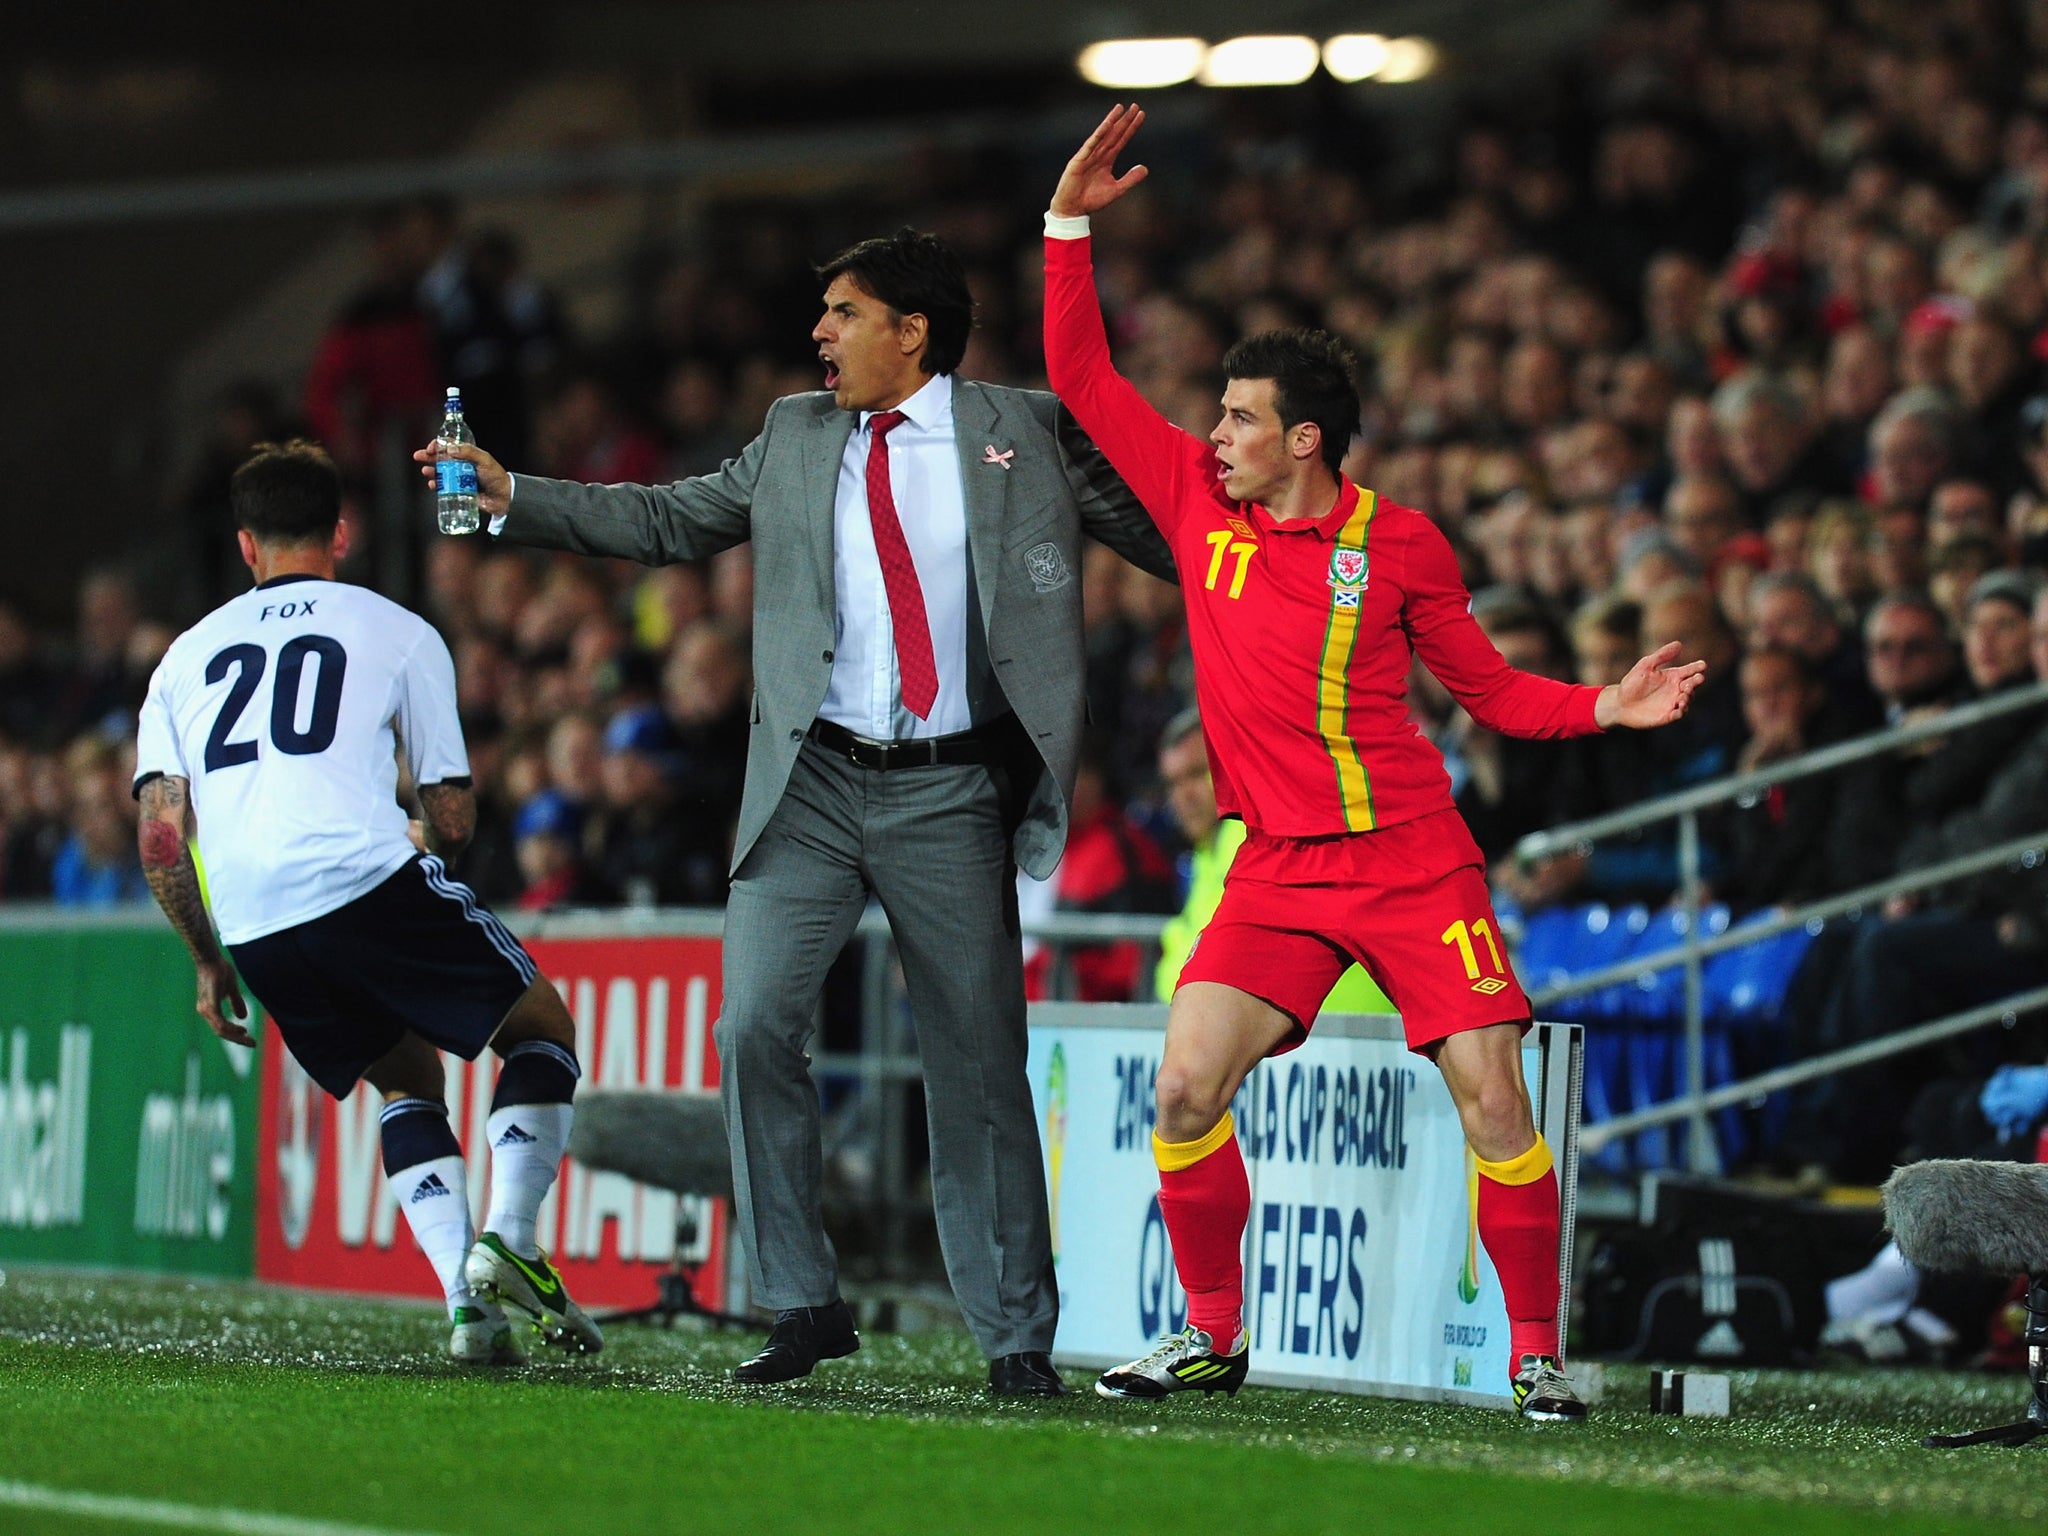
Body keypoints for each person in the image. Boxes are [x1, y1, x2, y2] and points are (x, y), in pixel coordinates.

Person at [418, 227, 1174, 1396]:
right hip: (809, 784)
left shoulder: (1017, 428)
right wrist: (516, 495)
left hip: (950, 787)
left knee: (977, 1062)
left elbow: (1165, 535)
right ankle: (801, 1300)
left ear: (910, 331)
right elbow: (668, 520)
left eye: (842, 311)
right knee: (751, 1028)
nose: (818, 332)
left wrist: (1293, 547)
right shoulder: (792, 433)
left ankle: (1016, 1336)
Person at [1043, 106, 1704, 1419]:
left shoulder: (1399, 545)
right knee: (1183, 1083)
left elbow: (1495, 696)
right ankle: (1215, 1336)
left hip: (1409, 860)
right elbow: (1082, 382)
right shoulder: (1191, 502)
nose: (1214, 433)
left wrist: (1602, 708)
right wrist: (1067, 228)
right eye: (1217, 414)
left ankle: (1533, 1354)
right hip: (1275, 867)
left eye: (1240, 418)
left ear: (1305, 439)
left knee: (1492, 1098)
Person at [132, 441, 598, 1367]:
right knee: (542, 1029)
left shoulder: (183, 659)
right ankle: (507, 1233)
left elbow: (159, 834)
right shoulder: (398, 629)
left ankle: (471, 1316)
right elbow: (452, 813)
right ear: (341, 532)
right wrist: (430, 846)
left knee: (405, 1080)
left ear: (245, 546)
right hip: (362, 880)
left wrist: (206, 957)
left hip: (260, 926)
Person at [1153, 708, 1389, 1013]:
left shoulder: (1252, 837)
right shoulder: (1205, 853)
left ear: (1230, 766)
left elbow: (1210, 970)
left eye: (1198, 774)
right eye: (1173, 783)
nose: (1184, 795)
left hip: (1343, 1033)